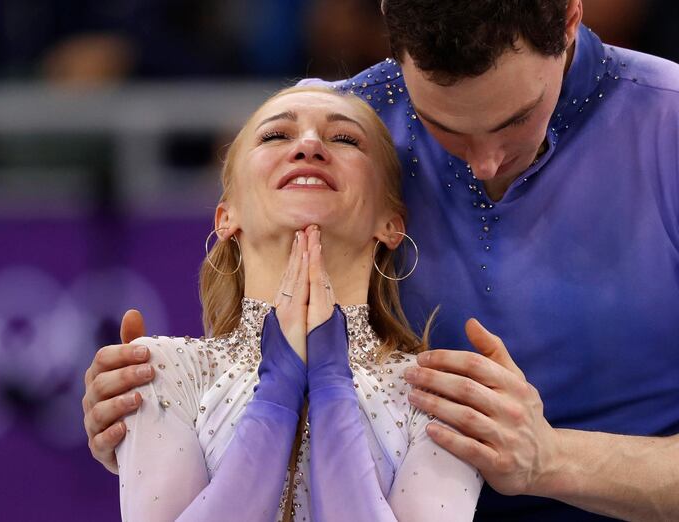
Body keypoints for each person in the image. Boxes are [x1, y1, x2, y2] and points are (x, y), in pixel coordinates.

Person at [84, 1, 679, 520]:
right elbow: (255, 357)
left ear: (571, 15)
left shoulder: (667, 126)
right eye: (442, 128)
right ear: (394, 42)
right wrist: (140, 415)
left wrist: (551, 460)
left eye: (517, 119)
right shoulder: (342, 135)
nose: (486, 164)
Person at [112, 85, 483, 521]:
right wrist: (277, 391)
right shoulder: (164, 371)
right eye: (276, 136)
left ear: (391, 224)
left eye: (344, 139)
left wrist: (331, 385)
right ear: (226, 216)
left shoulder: (441, 397)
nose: (309, 146)